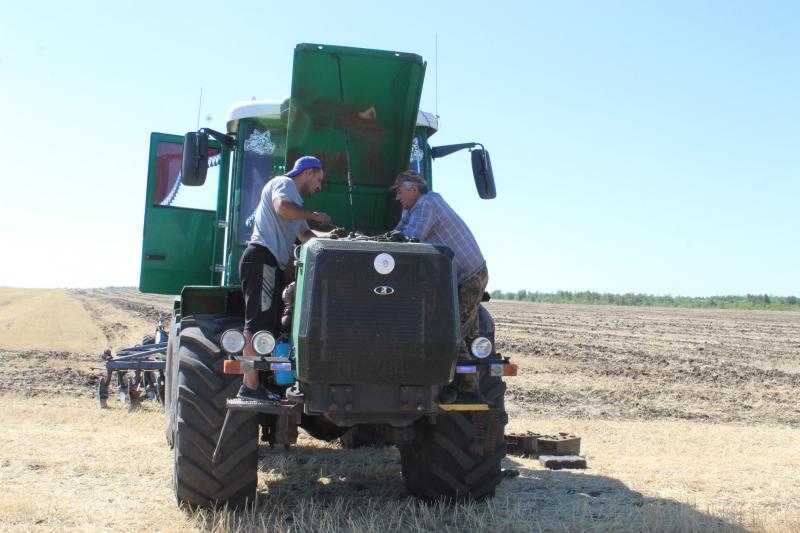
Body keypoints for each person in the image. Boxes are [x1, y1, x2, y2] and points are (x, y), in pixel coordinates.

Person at [239, 156, 340, 401]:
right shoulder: (284, 184)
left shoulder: (297, 201)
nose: (319, 185)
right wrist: (316, 215)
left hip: (270, 262)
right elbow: (281, 207)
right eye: (319, 179)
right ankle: (248, 386)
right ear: (308, 172)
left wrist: (331, 237)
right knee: (255, 324)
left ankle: (259, 384)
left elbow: (305, 235)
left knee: (267, 323)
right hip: (261, 257)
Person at [391, 169, 489, 375]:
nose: (397, 197)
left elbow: (410, 240)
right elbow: (397, 234)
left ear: (414, 190)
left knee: (453, 332)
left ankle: (467, 388)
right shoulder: (411, 208)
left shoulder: (428, 204)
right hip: (458, 277)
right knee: (466, 332)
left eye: (399, 192)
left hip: (469, 277)